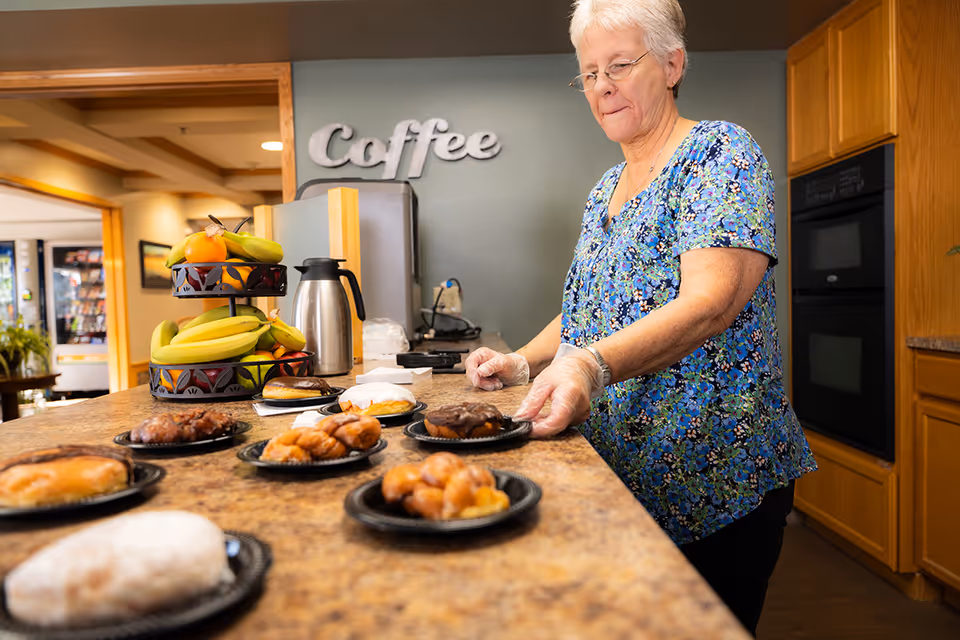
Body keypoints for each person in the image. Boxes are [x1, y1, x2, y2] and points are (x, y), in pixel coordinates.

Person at [464, 0, 816, 634]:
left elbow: (711, 302)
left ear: (674, 64)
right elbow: (587, 310)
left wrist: (589, 364)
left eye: (620, 65)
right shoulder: (607, 186)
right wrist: (523, 359)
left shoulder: (720, 154)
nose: (602, 87)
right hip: (624, 475)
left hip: (714, 478)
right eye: (589, 73)